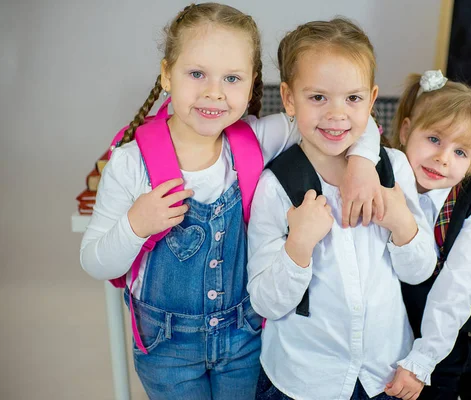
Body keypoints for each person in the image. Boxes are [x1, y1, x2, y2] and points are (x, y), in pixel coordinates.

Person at [79, 4, 383, 399]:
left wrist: (361, 163)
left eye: (232, 78)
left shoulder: (255, 141)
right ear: (166, 74)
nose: (214, 92)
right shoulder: (131, 162)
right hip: (166, 350)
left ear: (252, 82)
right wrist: (135, 225)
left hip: (245, 338)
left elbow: (345, 119)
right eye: (196, 74)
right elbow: (95, 260)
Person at [248, 19, 437, 400]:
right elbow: (265, 302)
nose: (337, 115)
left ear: (371, 99)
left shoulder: (393, 169)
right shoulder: (276, 186)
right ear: (288, 98)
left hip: (381, 372)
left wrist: (402, 222)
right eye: (318, 97)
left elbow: (418, 273)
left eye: (352, 98)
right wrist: (297, 246)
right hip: (303, 378)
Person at [391, 70, 471, 400]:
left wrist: (422, 359)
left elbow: (458, 286)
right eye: (434, 139)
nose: (443, 159)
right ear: (406, 131)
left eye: (461, 152)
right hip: (420, 332)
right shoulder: (388, 185)